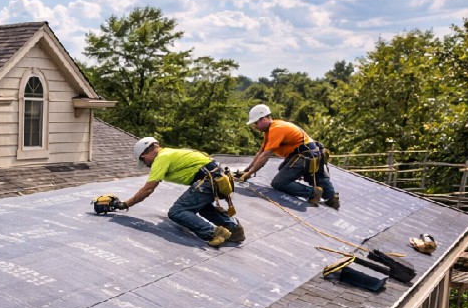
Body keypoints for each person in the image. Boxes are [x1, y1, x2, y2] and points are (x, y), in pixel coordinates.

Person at [108, 137, 243, 248]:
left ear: (145, 154)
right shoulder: (170, 153)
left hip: (209, 180)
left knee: (177, 212)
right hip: (217, 179)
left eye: (144, 161)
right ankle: (235, 229)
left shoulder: (161, 158)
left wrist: (125, 204)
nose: (146, 165)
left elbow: (148, 189)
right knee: (201, 208)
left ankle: (213, 233)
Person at [238, 104, 339, 208]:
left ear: (263, 119)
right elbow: (260, 153)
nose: (255, 127)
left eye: (255, 123)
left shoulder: (276, 129)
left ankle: (314, 192)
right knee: (285, 169)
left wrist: (250, 173)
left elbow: (265, 156)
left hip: (306, 156)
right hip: (312, 154)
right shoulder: (270, 130)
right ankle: (331, 197)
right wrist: (247, 170)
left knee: (279, 183)